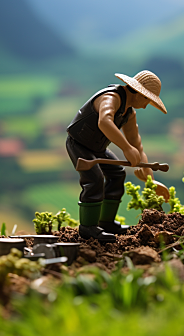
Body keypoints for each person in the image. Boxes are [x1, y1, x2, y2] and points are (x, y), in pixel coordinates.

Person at [66, 70, 167, 243]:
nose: (146, 105)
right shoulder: (111, 98)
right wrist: (126, 149)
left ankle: (106, 223)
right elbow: (104, 121)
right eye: (146, 99)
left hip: (97, 148)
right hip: (79, 144)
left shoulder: (129, 113)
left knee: (117, 173)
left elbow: (136, 142)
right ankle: (88, 227)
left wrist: (148, 175)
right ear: (138, 92)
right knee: (94, 178)